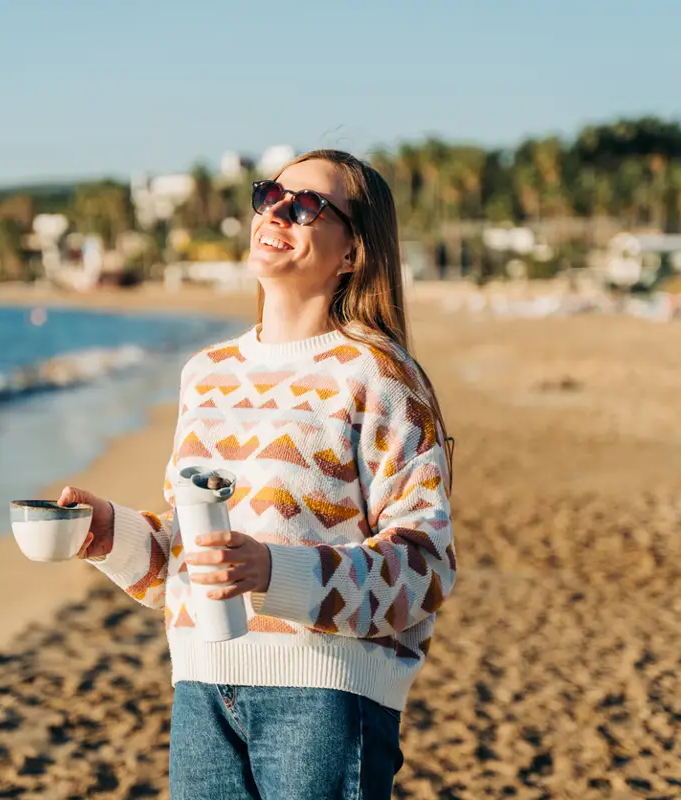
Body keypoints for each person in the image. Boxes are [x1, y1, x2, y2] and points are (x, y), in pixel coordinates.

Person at [59, 149, 457, 799]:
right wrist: (111, 536)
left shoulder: (379, 376)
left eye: (305, 206)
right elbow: (192, 562)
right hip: (201, 690)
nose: (276, 211)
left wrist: (275, 573)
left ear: (353, 252)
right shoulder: (205, 374)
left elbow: (426, 567)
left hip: (328, 697)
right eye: (269, 194)